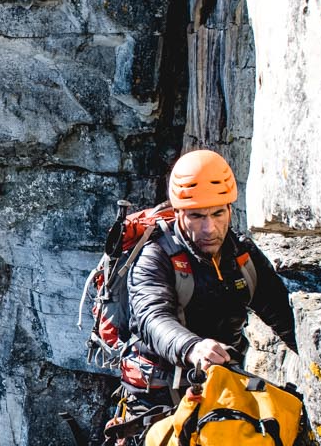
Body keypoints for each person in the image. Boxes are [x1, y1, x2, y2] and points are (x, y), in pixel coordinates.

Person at [123, 148, 298, 414]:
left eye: (218, 214)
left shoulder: (241, 256)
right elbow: (153, 318)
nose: (209, 229)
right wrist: (193, 347)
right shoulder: (155, 256)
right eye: (196, 216)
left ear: (230, 210)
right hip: (159, 395)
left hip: (222, 385)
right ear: (179, 212)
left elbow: (284, 316)